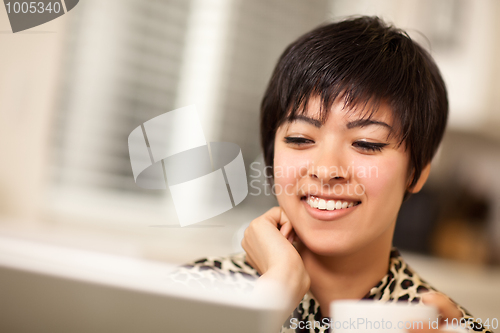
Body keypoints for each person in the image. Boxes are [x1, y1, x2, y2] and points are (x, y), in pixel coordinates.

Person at [169, 16, 492, 333]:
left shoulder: (443, 327)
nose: (326, 170)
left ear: (416, 174)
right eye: (300, 139)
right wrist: (277, 290)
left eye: (367, 143)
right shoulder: (187, 296)